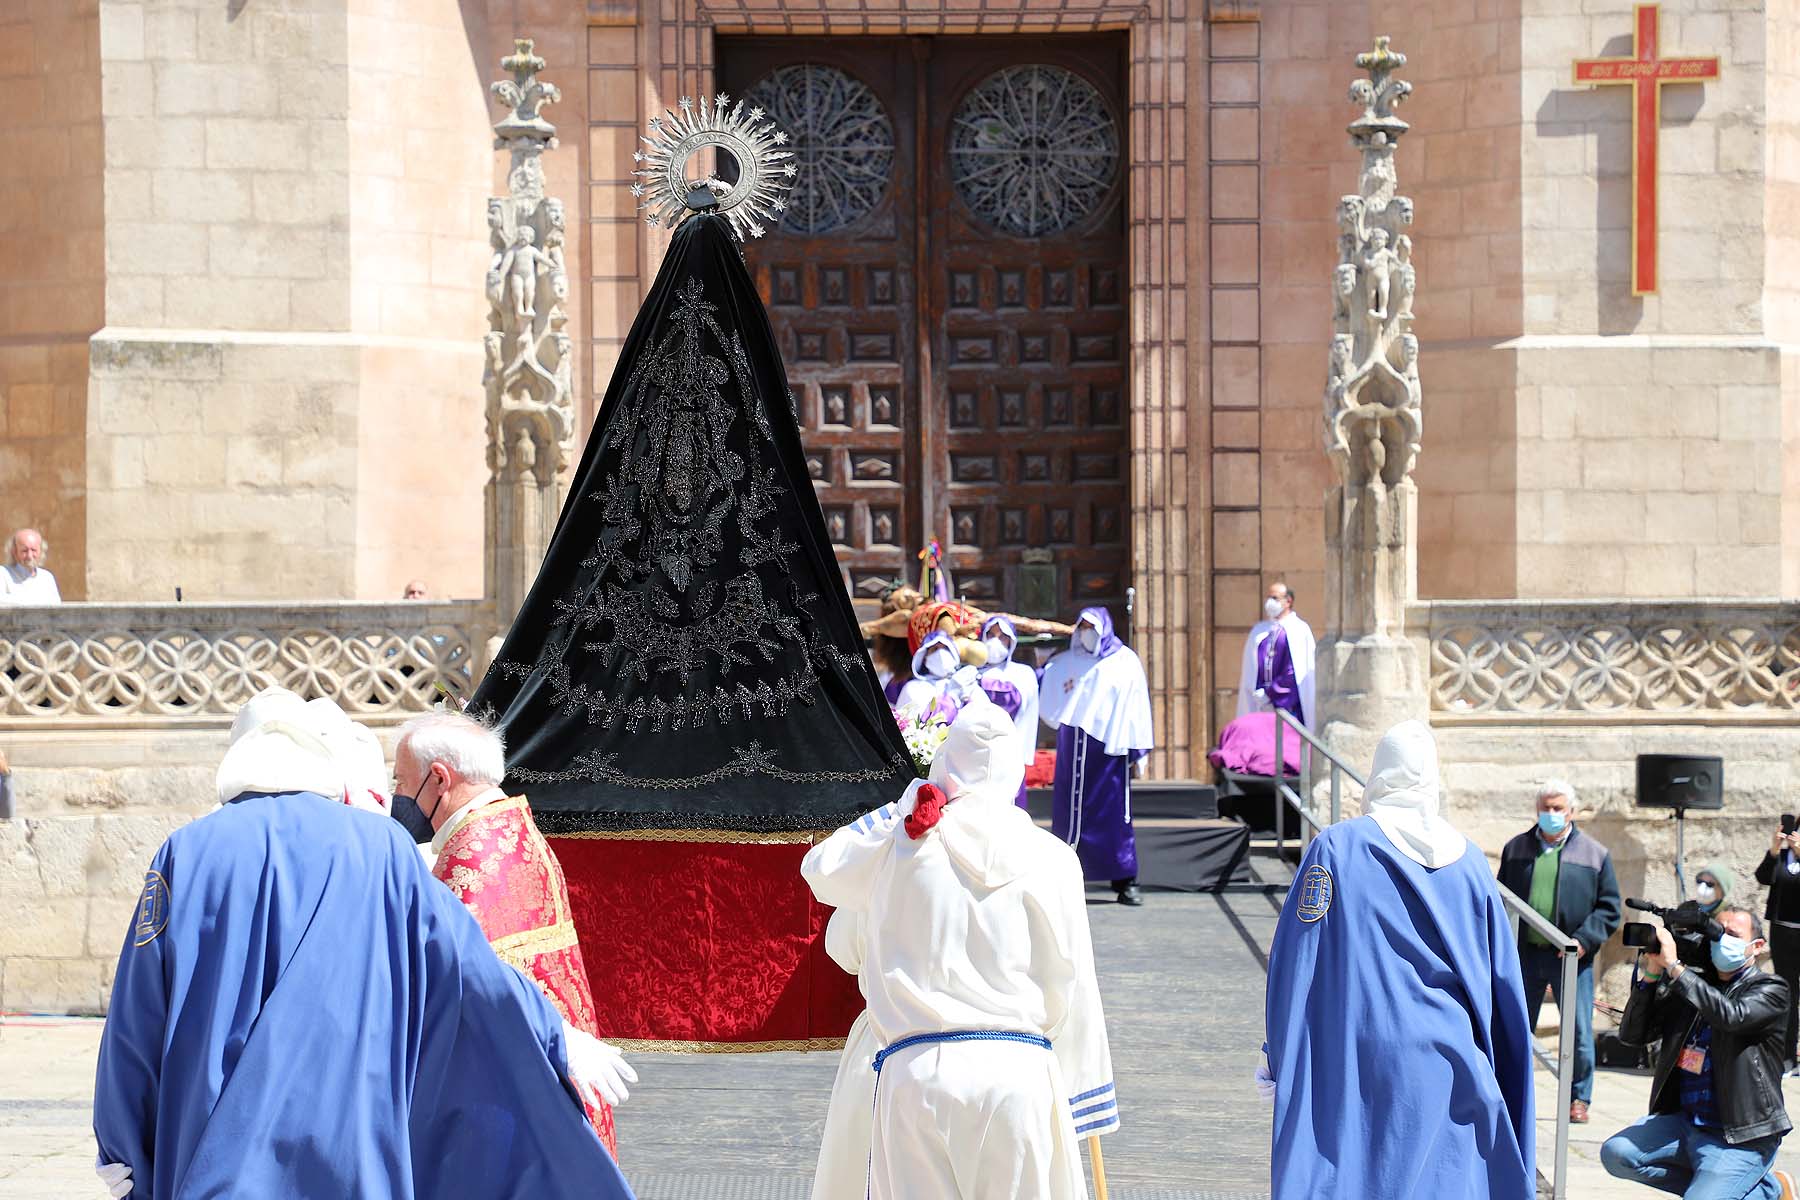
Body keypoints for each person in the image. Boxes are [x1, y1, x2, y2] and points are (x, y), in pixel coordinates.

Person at [92, 694, 637, 1199]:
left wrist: (119, 1144)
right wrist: (553, 1033)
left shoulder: (185, 852)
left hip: (214, 1151)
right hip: (350, 1151)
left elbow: (137, 1014)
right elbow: (470, 965)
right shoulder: (382, 847)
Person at [801, 700, 1118, 1200]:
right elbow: (1074, 983)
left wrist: (898, 808)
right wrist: (1084, 1098)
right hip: (1017, 1073)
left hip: (916, 1073)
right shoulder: (1053, 858)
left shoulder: (900, 845)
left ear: (944, 766)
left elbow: (819, 871)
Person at [1262, 720, 1535, 1198]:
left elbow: (1295, 962)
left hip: (1368, 1060)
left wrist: (1279, 1056)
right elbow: (1503, 984)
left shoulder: (1337, 847)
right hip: (1456, 1062)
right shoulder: (1470, 862)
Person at [398, 710, 625, 1158]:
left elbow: (463, 983)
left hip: (516, 1100)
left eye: (401, 782)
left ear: (439, 779)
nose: (398, 796)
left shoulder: (477, 858)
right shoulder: (507, 826)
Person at [1601, 905, 1796, 1199]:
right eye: (1716, 932)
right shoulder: (1693, 985)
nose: (1721, 940)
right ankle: (1763, 1190)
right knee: (1616, 1154)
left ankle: (1761, 1189)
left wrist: (1676, 969)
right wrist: (1653, 974)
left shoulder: (1770, 989)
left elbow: (1731, 1015)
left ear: (1756, 947)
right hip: (1686, 1123)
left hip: (1740, 1136)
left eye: (1732, 934)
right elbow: (1633, 1035)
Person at [1496, 778, 1621, 1125]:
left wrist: (1583, 940)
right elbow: (1501, 898)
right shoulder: (1516, 848)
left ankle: (1579, 1098)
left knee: (1579, 1031)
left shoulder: (1594, 854)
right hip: (1525, 955)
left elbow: (1610, 909)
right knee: (1516, 1025)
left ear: (1571, 812)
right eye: (1545, 808)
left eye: (1557, 808)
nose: (1550, 814)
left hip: (1571, 957)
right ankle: (1509, 1091)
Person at [1040, 606, 1153, 906]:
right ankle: (1063, 876)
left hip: (1107, 751)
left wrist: (1138, 748)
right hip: (1072, 747)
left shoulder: (1124, 661)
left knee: (1111, 813)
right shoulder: (1066, 662)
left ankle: (1125, 878)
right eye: (1083, 627)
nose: (1087, 634)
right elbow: (1049, 687)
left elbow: (1137, 706)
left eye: (1093, 627)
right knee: (1068, 812)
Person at [810, 906, 879, 1200]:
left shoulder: (882, 869)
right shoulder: (1033, 868)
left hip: (893, 1052)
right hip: (1014, 1058)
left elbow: (841, 947)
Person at [977, 613, 1040, 808]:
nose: (996, 641)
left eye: (1002, 636)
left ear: (1011, 641)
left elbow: (1021, 708)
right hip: (976, 753)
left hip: (1009, 751)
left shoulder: (1023, 673)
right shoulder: (968, 671)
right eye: (991, 635)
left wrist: (978, 685)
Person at [1235, 580, 1314, 727]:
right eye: (1268, 598)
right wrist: (1257, 693)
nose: (1270, 602)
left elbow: (1294, 671)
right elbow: (1251, 669)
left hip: (1288, 706)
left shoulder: (1299, 630)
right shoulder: (1259, 631)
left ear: (1288, 601)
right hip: (1260, 705)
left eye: (1275, 598)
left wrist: (1271, 694)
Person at [1757, 826, 1800, 1076]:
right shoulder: (1782, 858)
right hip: (1783, 931)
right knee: (1788, 993)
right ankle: (1786, 1056)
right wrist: (1774, 850)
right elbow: (1763, 877)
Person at [1, 527, 61, 604]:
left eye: (33, 550)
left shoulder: (47, 577)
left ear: (41, 551)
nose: (29, 556)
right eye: (24, 551)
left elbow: (56, 606)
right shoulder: (3, 574)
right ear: (14, 552)